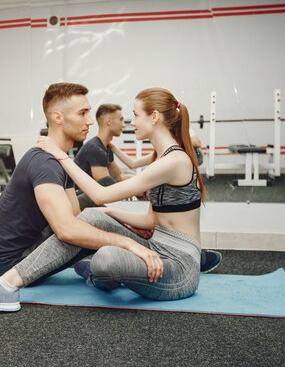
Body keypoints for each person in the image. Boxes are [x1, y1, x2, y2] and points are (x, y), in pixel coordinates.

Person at [0, 83, 162, 312]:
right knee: (81, 229)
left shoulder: (60, 158)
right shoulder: (45, 163)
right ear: (58, 117)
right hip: (16, 263)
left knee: (92, 213)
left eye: (88, 112)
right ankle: (3, 288)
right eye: (82, 113)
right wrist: (128, 243)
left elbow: (76, 215)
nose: (90, 121)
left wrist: (121, 224)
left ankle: (137, 253)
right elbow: (67, 230)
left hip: (32, 243)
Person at [77, 104, 221, 273]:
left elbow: (106, 187)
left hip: (177, 257)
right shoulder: (99, 147)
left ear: (154, 117)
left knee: (108, 255)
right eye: (124, 118)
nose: (129, 123)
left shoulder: (172, 160)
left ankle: (102, 271)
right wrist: (135, 185)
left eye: (135, 115)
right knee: (95, 219)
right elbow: (110, 183)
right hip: (160, 241)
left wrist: (61, 157)